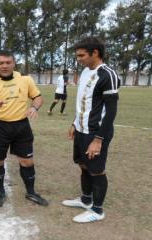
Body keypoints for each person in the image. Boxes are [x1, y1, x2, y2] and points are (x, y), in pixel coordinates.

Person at [0, 50, 49, 208]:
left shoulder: (25, 79)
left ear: (14, 63)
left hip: (21, 126)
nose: (4, 66)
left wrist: (35, 108)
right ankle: (0, 191)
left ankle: (31, 192)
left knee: (27, 161)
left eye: (8, 62)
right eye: (0, 63)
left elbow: (38, 97)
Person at [62, 37, 120, 223]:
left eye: (81, 55)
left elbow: (111, 112)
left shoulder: (107, 75)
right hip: (81, 130)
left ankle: (97, 210)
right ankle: (86, 200)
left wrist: (98, 139)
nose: (78, 59)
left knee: (97, 171)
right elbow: (83, 102)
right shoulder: (86, 71)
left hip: (96, 133)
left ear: (95, 52)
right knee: (83, 165)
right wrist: (74, 123)